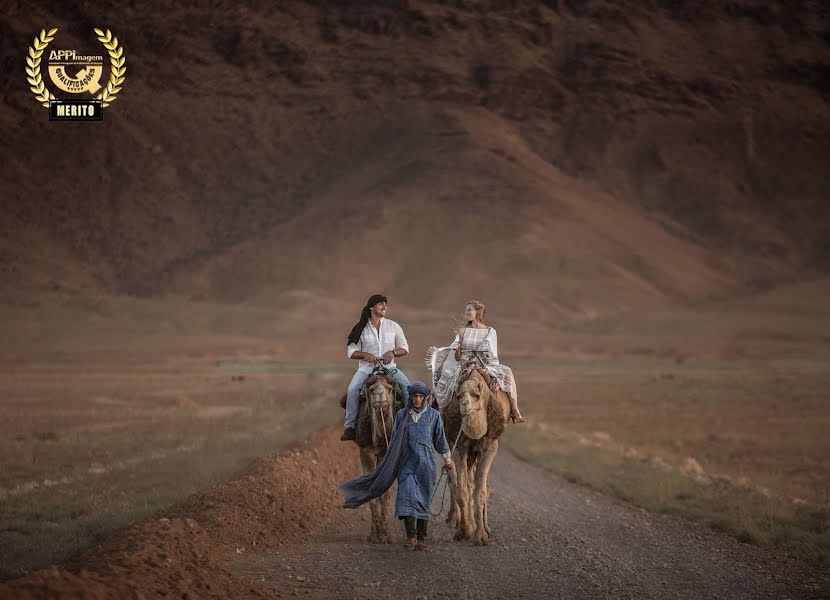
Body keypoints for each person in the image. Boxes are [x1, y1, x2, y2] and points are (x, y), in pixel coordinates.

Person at [338, 381, 453, 551]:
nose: (418, 399)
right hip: (406, 462)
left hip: (426, 464)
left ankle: (421, 540)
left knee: (423, 498)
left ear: (425, 398)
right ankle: (411, 537)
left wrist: (448, 460)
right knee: (406, 496)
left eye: (421, 396)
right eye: (415, 396)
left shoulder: (434, 416)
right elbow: (395, 440)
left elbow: (440, 440)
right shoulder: (401, 415)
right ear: (411, 397)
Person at [430, 300, 524, 422]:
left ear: (477, 311)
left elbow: (491, 352)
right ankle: (441, 415)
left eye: (469, 310)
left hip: (484, 364)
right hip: (464, 364)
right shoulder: (462, 331)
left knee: (507, 372)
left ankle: (515, 410)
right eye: (466, 310)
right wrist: (458, 349)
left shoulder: (490, 331)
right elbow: (457, 357)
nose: (466, 312)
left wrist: (481, 354)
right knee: (445, 378)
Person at [341, 294, 412, 442]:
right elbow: (350, 352)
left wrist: (393, 352)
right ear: (371, 307)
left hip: (389, 368)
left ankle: (409, 424)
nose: (385, 307)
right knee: (353, 389)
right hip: (366, 369)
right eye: (381, 304)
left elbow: (405, 348)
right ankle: (350, 427)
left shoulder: (394, 326)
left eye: (386, 304)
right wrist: (365, 354)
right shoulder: (360, 327)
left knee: (408, 388)